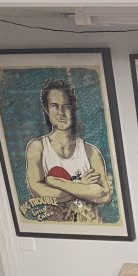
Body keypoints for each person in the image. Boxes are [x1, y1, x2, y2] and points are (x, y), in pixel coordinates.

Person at [25, 78, 111, 223]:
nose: (61, 112)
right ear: (46, 109)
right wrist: (83, 188)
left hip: (92, 226)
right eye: (54, 106)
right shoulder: (37, 147)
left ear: (73, 108)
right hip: (59, 229)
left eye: (66, 106)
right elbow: (38, 192)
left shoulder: (91, 151)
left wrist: (54, 182)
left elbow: (104, 195)